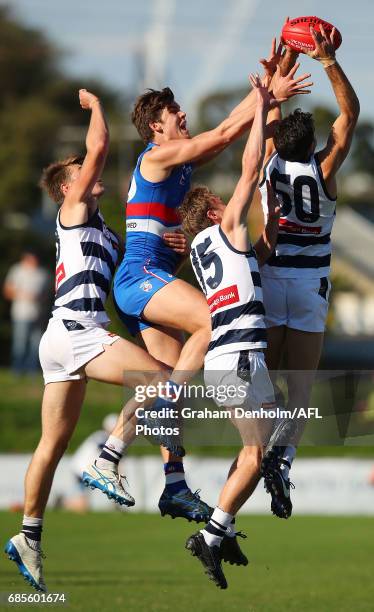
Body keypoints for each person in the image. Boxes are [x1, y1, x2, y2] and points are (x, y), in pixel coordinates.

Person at [4, 89, 196, 593]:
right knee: (159, 379)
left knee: (52, 444)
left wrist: (174, 248)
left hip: (62, 336)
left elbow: (137, 268)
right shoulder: (73, 209)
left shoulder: (106, 234)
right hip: (79, 332)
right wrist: (95, 108)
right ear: (67, 186)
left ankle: (29, 533)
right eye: (79, 169)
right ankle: (109, 459)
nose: (88, 171)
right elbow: (102, 146)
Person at [113, 46, 312, 518]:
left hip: (151, 279)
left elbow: (233, 128)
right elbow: (225, 133)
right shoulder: (161, 155)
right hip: (139, 277)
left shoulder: (178, 161)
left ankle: (168, 480)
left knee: (159, 381)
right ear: (156, 126)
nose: (182, 113)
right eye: (173, 110)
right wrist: (265, 98)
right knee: (212, 323)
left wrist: (268, 87)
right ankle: (162, 407)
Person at [179, 74, 282, 589]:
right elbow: (248, 167)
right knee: (257, 452)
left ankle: (227, 524)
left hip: (232, 356)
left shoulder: (202, 249)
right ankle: (214, 534)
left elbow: (251, 262)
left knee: (275, 432)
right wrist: (262, 108)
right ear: (216, 212)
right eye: (227, 202)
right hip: (238, 357)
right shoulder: (224, 226)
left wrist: (270, 237)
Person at [258, 27, 360, 519]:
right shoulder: (324, 171)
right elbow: (351, 116)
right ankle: (283, 460)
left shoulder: (269, 165)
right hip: (310, 289)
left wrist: (279, 69)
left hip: (271, 280)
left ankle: (262, 449)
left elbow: (271, 118)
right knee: (300, 390)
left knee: (270, 384)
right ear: (315, 143)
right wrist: (326, 61)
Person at [3, 251, 50, 375]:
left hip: (39, 314)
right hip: (21, 314)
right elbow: (7, 291)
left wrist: (40, 298)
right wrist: (24, 295)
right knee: (20, 343)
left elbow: (48, 294)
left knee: (36, 344)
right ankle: (17, 369)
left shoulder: (43, 273)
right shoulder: (17, 270)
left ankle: (31, 371)